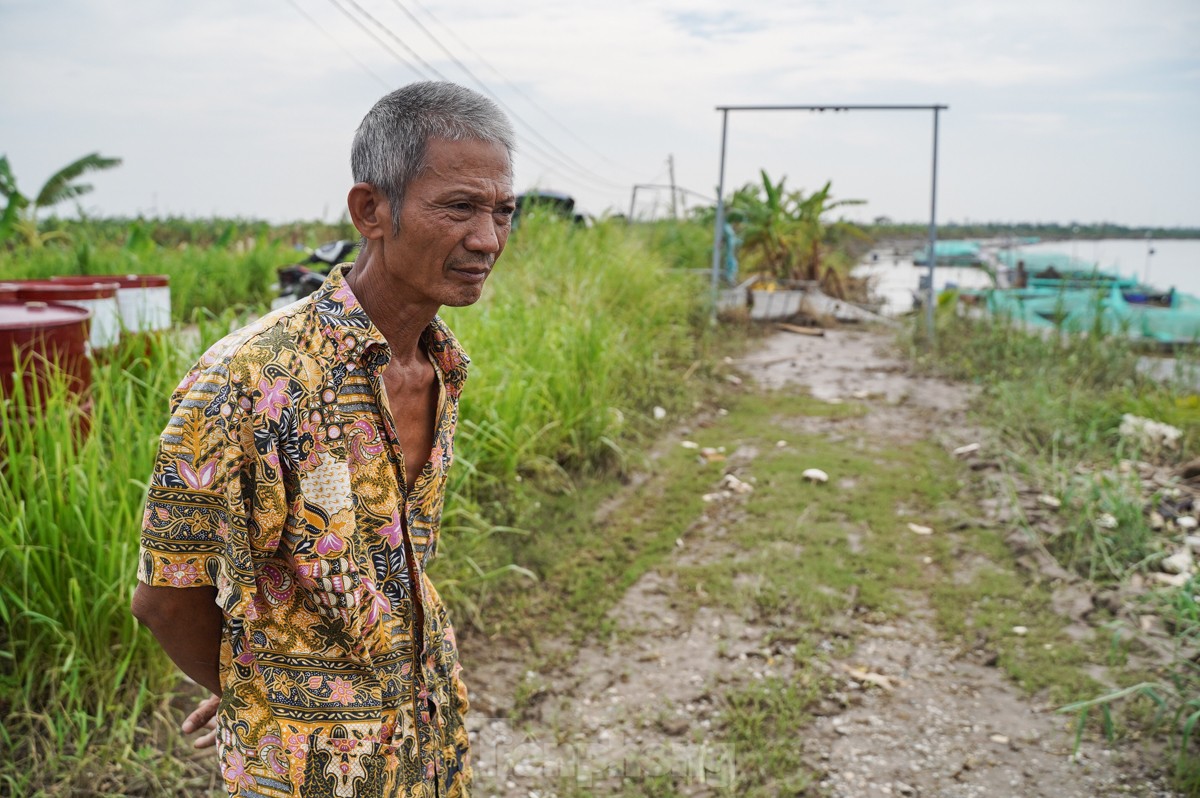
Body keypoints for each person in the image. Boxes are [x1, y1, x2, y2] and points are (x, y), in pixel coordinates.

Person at [130, 81, 516, 798]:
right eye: (460, 206)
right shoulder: (250, 380)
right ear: (371, 210)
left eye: (503, 211)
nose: (488, 238)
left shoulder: (439, 364)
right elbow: (165, 600)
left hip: (429, 740)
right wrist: (260, 691)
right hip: (309, 777)